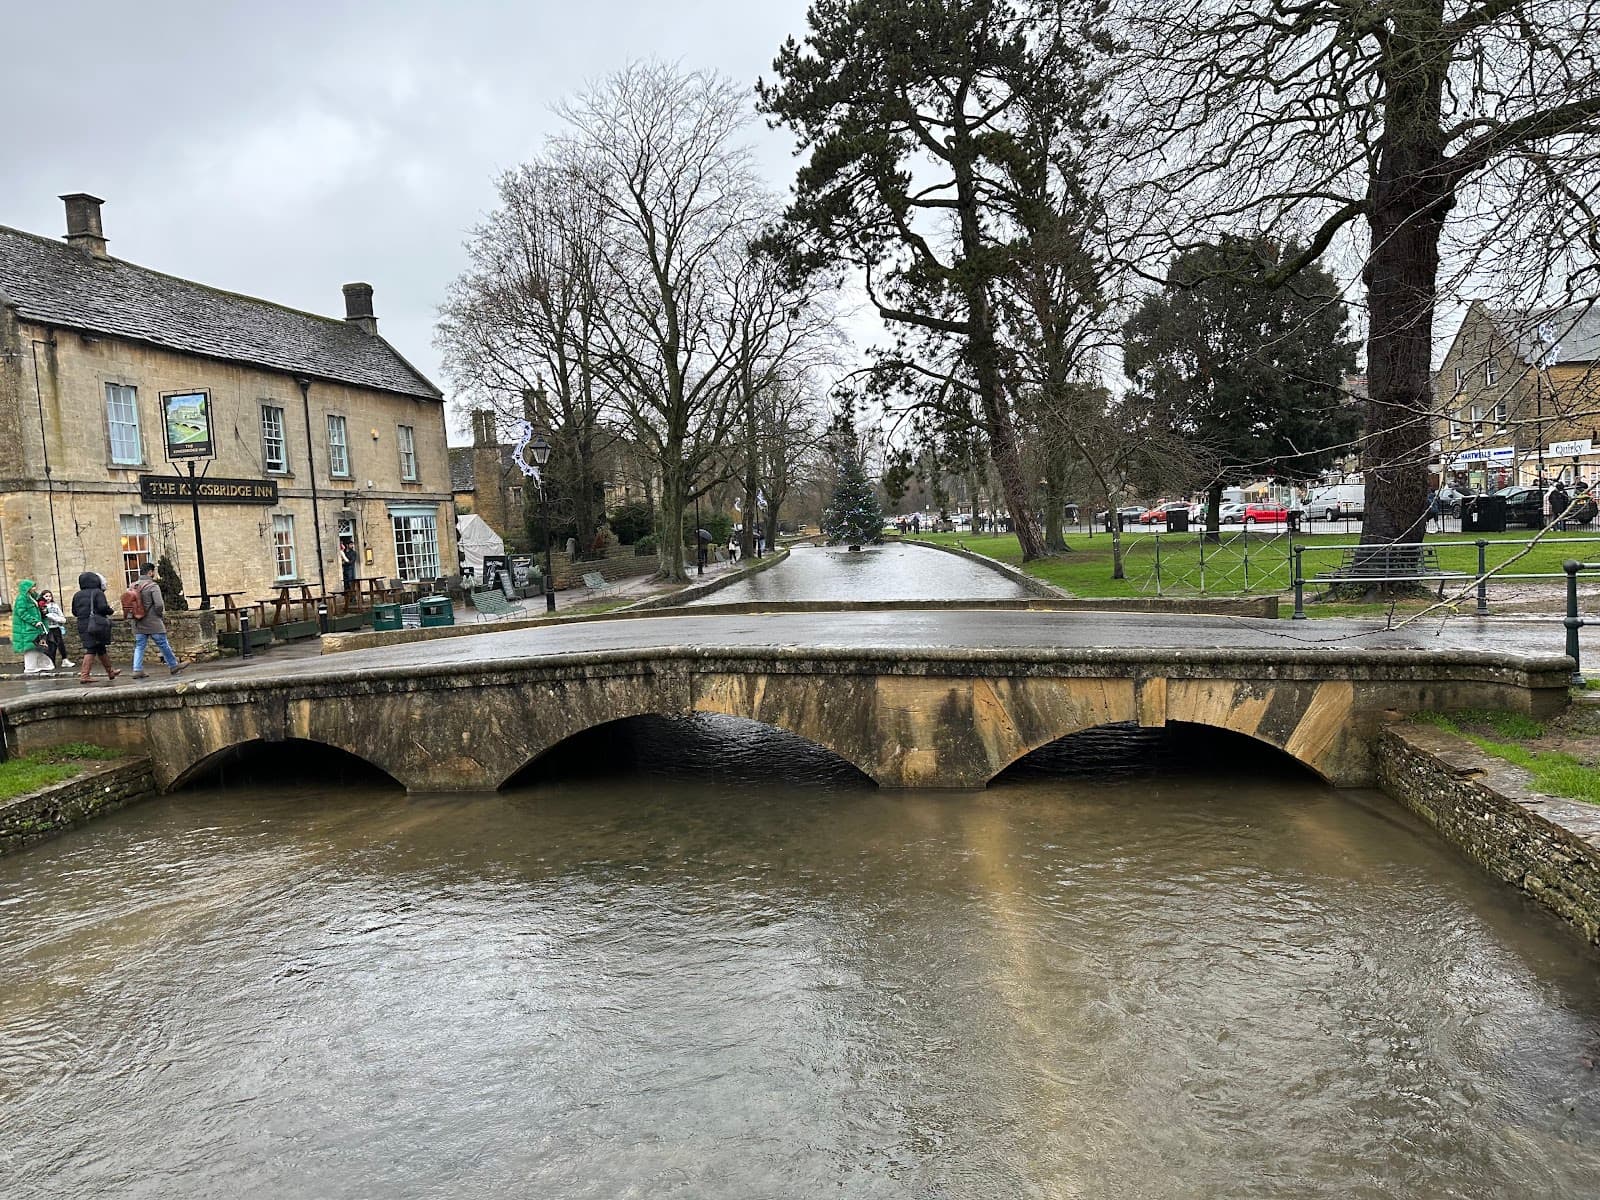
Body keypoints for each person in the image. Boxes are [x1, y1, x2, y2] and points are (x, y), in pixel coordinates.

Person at [128, 561, 187, 679]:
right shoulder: (152, 586)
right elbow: (159, 604)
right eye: (153, 572)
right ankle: (173, 665)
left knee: (139, 645)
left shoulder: (132, 586)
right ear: (150, 572)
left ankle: (137, 669)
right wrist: (159, 615)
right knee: (163, 643)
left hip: (137, 622)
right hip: (153, 621)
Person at [70, 572, 119, 684]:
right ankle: (85, 675)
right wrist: (110, 611)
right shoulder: (97, 592)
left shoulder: (77, 595)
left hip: (82, 623)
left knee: (100, 647)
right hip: (96, 624)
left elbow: (74, 612)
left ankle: (110, 672)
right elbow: (102, 607)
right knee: (92, 648)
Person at [11, 579, 54, 676]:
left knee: (36, 646)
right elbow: (22, 612)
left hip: (35, 627)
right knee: (30, 647)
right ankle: (31, 667)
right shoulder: (22, 598)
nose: (34, 588)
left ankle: (40, 665)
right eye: (32, 587)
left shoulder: (33, 597)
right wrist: (34, 621)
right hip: (27, 628)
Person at [35, 588, 72, 670]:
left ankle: (65, 660)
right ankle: (52, 662)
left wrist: (60, 619)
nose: (48, 598)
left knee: (60, 643)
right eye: (46, 596)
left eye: (50, 596)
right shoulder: (42, 606)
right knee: (52, 645)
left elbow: (60, 614)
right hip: (48, 628)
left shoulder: (54, 605)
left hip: (56, 627)